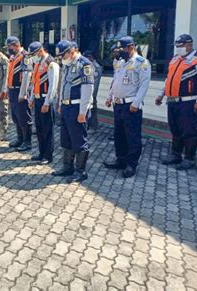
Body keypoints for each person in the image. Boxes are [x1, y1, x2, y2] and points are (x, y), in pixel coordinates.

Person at [155, 34, 197, 170]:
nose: (178, 49)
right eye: (177, 46)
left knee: (188, 130)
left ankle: (189, 158)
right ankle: (176, 154)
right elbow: (169, 79)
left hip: (189, 102)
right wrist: (161, 95)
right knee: (175, 129)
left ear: (189, 45)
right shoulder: (175, 60)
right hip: (173, 101)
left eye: (180, 46)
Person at [104, 36, 151, 178]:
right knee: (119, 135)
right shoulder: (120, 62)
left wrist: (136, 103)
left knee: (132, 136)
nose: (120, 52)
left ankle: (131, 164)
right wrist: (109, 96)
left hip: (131, 106)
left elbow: (144, 84)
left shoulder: (142, 63)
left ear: (131, 47)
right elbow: (115, 81)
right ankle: (121, 160)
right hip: (117, 104)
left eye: (122, 49)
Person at [52, 40, 94, 183]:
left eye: (63, 55)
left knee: (79, 140)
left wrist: (83, 112)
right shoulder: (67, 65)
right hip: (66, 107)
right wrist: (60, 104)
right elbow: (63, 85)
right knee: (66, 138)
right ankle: (67, 167)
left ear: (71, 52)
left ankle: (80, 171)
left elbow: (88, 89)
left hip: (77, 108)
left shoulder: (84, 64)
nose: (61, 58)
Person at [28, 42, 60, 164]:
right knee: (39, 129)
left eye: (34, 53)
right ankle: (41, 153)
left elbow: (52, 86)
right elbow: (34, 83)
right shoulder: (37, 63)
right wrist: (31, 98)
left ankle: (48, 155)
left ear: (40, 51)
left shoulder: (51, 64)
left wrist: (47, 103)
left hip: (45, 100)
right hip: (37, 99)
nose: (32, 56)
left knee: (47, 129)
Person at [5, 36, 33, 152]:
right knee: (16, 117)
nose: (8, 49)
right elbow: (9, 74)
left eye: (9, 46)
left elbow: (26, 77)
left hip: (20, 90)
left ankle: (27, 142)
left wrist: (23, 94)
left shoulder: (25, 57)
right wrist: (7, 89)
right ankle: (20, 139)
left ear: (16, 45)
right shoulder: (13, 57)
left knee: (24, 117)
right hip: (13, 90)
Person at [84, 50, 103, 131]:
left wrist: (92, 95)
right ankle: (88, 126)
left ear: (90, 57)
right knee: (88, 110)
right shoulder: (89, 66)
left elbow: (95, 84)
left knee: (93, 110)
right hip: (87, 93)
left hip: (92, 94)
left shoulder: (96, 67)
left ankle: (93, 127)